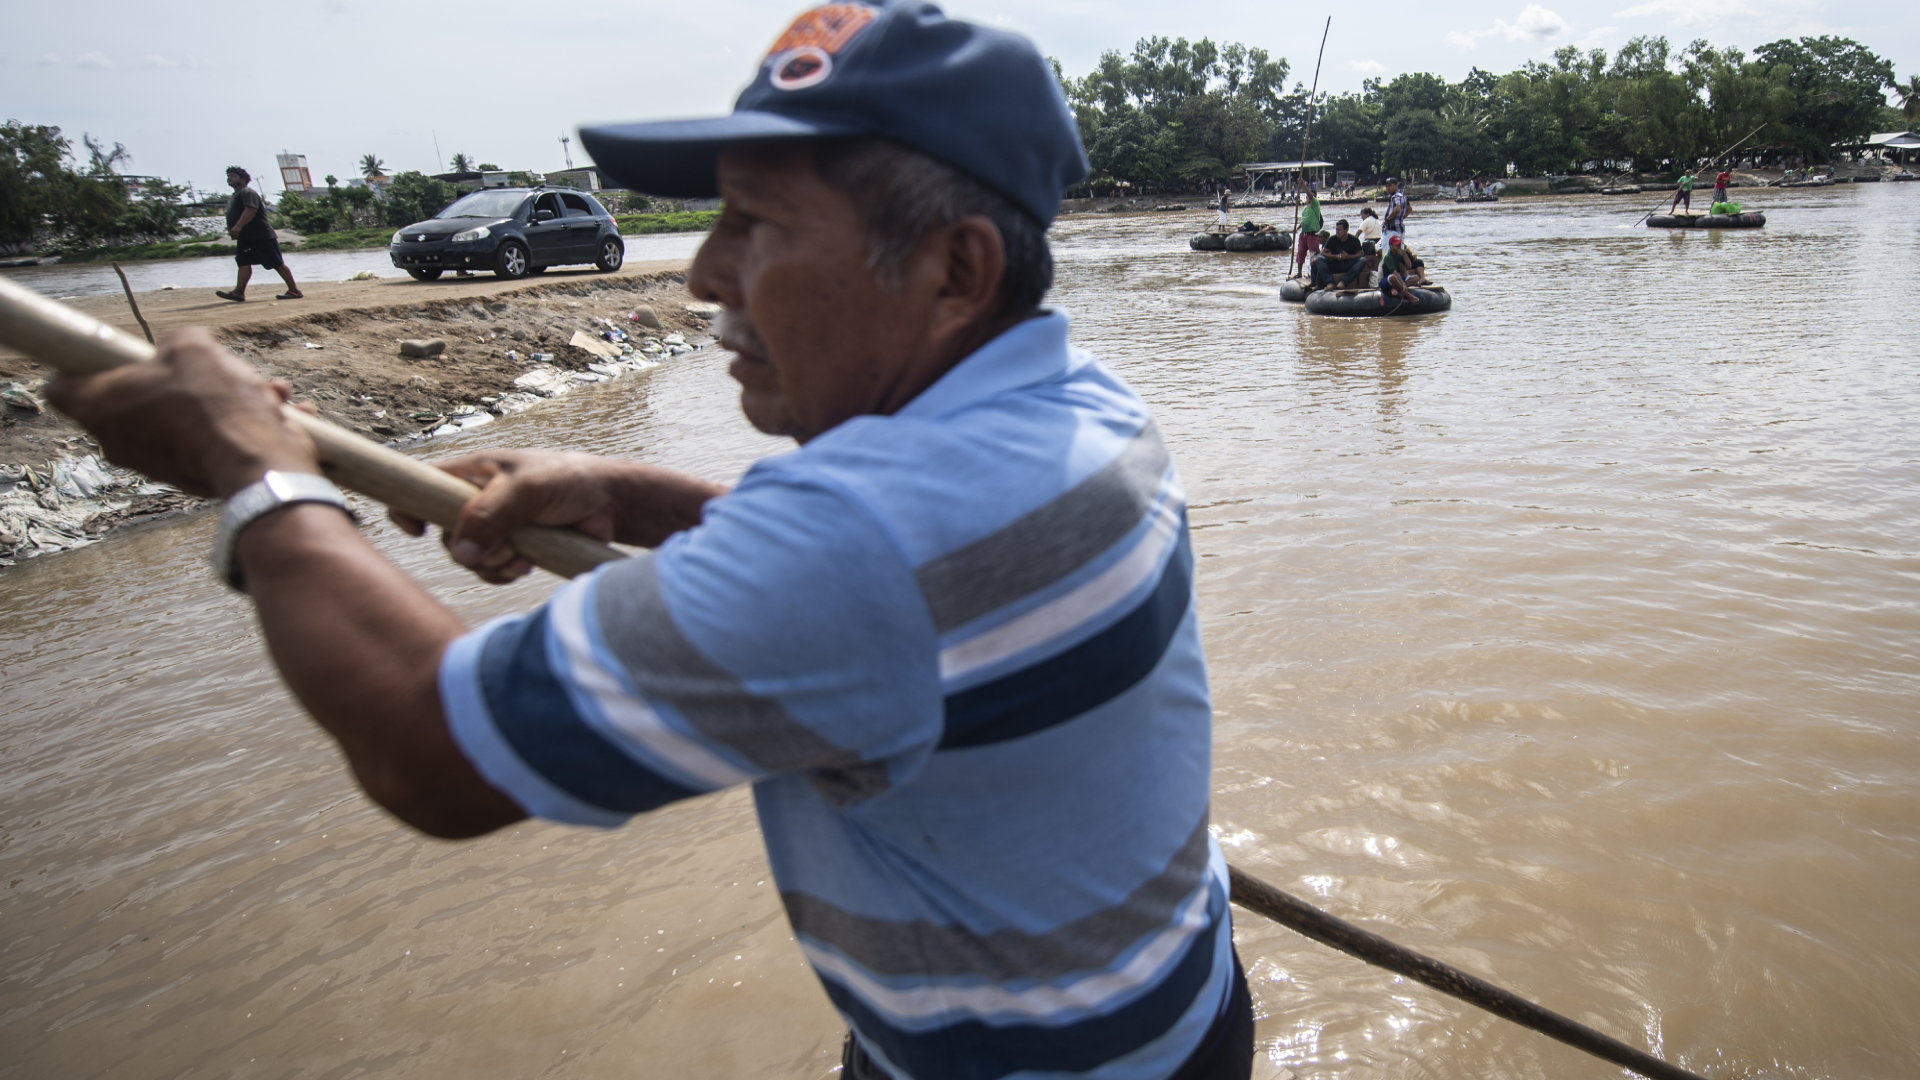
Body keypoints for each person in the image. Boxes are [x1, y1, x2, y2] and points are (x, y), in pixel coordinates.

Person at [47, 4, 1254, 1080]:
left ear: (955, 269)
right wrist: (642, 498)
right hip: (1182, 1007)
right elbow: (924, 582)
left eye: (756, 225)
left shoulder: (860, 541)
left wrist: (253, 475)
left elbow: (431, 750)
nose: (700, 277)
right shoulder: (1081, 405)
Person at [216, 167, 301, 303]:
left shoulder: (247, 192)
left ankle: (294, 290)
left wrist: (237, 226)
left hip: (260, 235)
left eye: (233, 176)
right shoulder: (236, 195)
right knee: (243, 262)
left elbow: (251, 210)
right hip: (246, 237)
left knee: (276, 262)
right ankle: (238, 292)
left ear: (243, 179)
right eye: (228, 176)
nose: (229, 178)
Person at [1309, 218, 1366, 290]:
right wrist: (1335, 257)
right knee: (1319, 259)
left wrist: (1348, 257)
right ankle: (1330, 282)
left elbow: (1361, 254)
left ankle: (1343, 281)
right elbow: (1323, 253)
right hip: (1334, 264)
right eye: (1336, 230)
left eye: (1339, 230)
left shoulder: (1354, 239)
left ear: (1346, 230)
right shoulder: (1332, 239)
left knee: (1363, 261)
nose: (1337, 232)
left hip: (1348, 264)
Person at [1379, 234, 1422, 305]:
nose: (1399, 246)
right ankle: (1407, 294)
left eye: (1399, 244)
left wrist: (1405, 255)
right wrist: (1403, 285)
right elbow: (1394, 272)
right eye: (1396, 245)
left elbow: (1409, 266)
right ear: (1391, 246)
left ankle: (1395, 287)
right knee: (1393, 277)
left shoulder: (1399, 254)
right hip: (1385, 280)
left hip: (1395, 279)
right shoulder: (1388, 256)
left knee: (1416, 277)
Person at [1292, 184, 1323, 275]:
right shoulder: (1306, 208)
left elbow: (1310, 195)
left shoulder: (1315, 204)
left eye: (1311, 196)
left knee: (1313, 255)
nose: (1308, 198)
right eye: (1308, 196)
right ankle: (1299, 273)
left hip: (1312, 235)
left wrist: (1302, 184)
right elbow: (1304, 221)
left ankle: (1314, 274)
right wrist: (1296, 228)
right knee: (1300, 253)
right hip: (1303, 234)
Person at [1381, 177, 1410, 244]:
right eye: (1386, 186)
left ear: (1396, 185)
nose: (1387, 188)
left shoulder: (1395, 197)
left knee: (1387, 250)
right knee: (1399, 250)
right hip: (1400, 228)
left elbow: (1397, 209)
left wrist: (1387, 220)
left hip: (1392, 229)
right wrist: (1401, 218)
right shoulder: (1403, 196)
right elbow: (1409, 209)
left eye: (1390, 185)